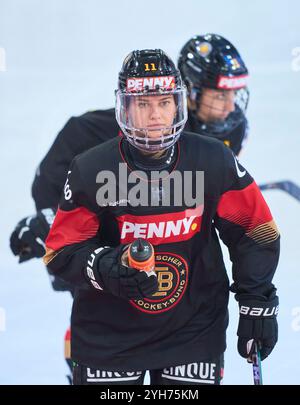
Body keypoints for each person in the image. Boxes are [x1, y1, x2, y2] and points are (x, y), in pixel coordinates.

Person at [9, 34, 250, 379]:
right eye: (219, 95)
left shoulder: (230, 129)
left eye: (232, 93)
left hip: (181, 282)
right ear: (193, 92)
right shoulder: (107, 131)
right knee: (99, 289)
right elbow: (55, 179)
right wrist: (53, 217)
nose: (229, 106)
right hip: (119, 249)